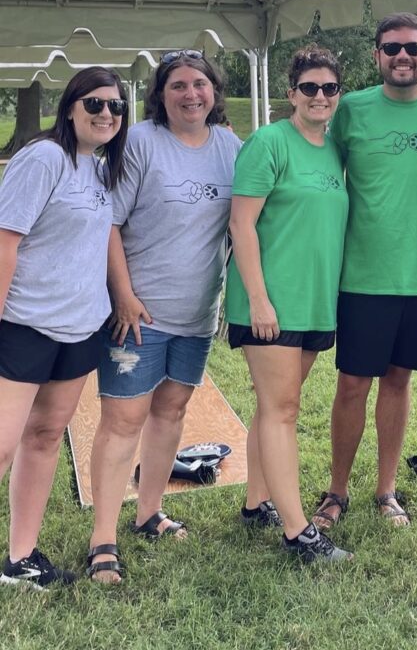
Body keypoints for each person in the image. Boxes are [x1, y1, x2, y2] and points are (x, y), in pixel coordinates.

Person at [87, 51, 248, 583]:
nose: (190, 94)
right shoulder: (141, 143)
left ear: (213, 91)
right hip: (139, 315)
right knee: (123, 421)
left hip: (198, 314)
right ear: (162, 94)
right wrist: (124, 295)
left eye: (199, 84)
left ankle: (148, 511)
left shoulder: (229, 146)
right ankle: (102, 540)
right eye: (177, 85)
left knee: (172, 412)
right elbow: (109, 222)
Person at [312, 13, 417, 531]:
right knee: (353, 384)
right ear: (376, 55)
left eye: (413, 48)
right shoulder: (350, 110)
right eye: (392, 48)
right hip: (362, 278)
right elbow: (320, 174)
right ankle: (336, 491)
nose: (403, 56)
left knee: (399, 382)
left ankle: (386, 490)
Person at [0, 67, 128, 588]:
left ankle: (21, 558)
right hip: (27, 323)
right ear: (71, 106)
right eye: (94, 103)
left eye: (116, 107)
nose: (105, 114)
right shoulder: (43, 157)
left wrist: (124, 298)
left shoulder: (97, 170)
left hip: (81, 328)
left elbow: (104, 240)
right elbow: (6, 242)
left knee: (46, 435)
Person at [225, 47, 352, 564]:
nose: (319, 97)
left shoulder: (332, 150)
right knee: (283, 411)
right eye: (309, 88)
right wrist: (259, 299)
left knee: (273, 406)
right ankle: (299, 533)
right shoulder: (268, 143)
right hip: (270, 303)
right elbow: (241, 224)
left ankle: (258, 503)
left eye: (328, 88)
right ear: (291, 93)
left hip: (314, 302)